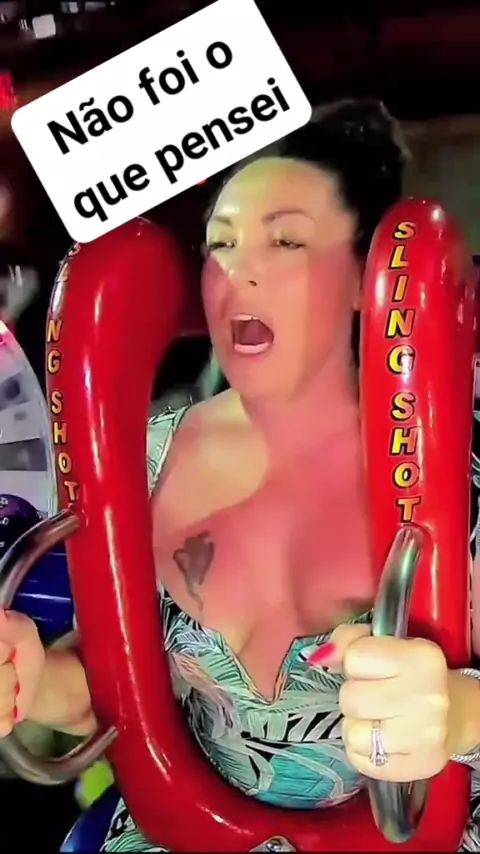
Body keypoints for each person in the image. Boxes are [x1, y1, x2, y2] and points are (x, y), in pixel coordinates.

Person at [2, 99, 480, 852]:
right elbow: (115, 692)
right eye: (220, 245)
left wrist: (458, 711)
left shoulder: (455, 464)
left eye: (285, 240)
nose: (237, 272)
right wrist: (28, 679)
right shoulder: (143, 459)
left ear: (363, 278)